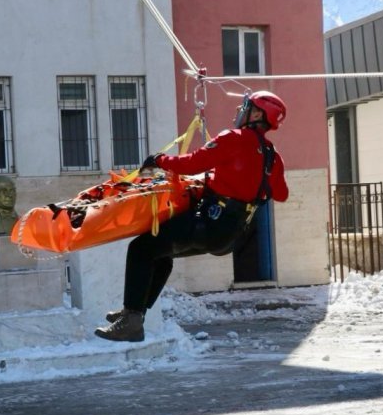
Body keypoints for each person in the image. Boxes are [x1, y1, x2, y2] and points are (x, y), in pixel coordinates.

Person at [95, 91, 289, 342]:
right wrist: (243, 179)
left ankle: (132, 319)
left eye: (247, 107)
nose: (241, 111)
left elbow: (193, 163)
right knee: (160, 252)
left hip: (208, 222)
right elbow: (281, 193)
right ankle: (135, 313)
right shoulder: (273, 156)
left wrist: (160, 160)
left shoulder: (234, 138)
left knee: (140, 248)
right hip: (230, 236)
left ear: (257, 114)